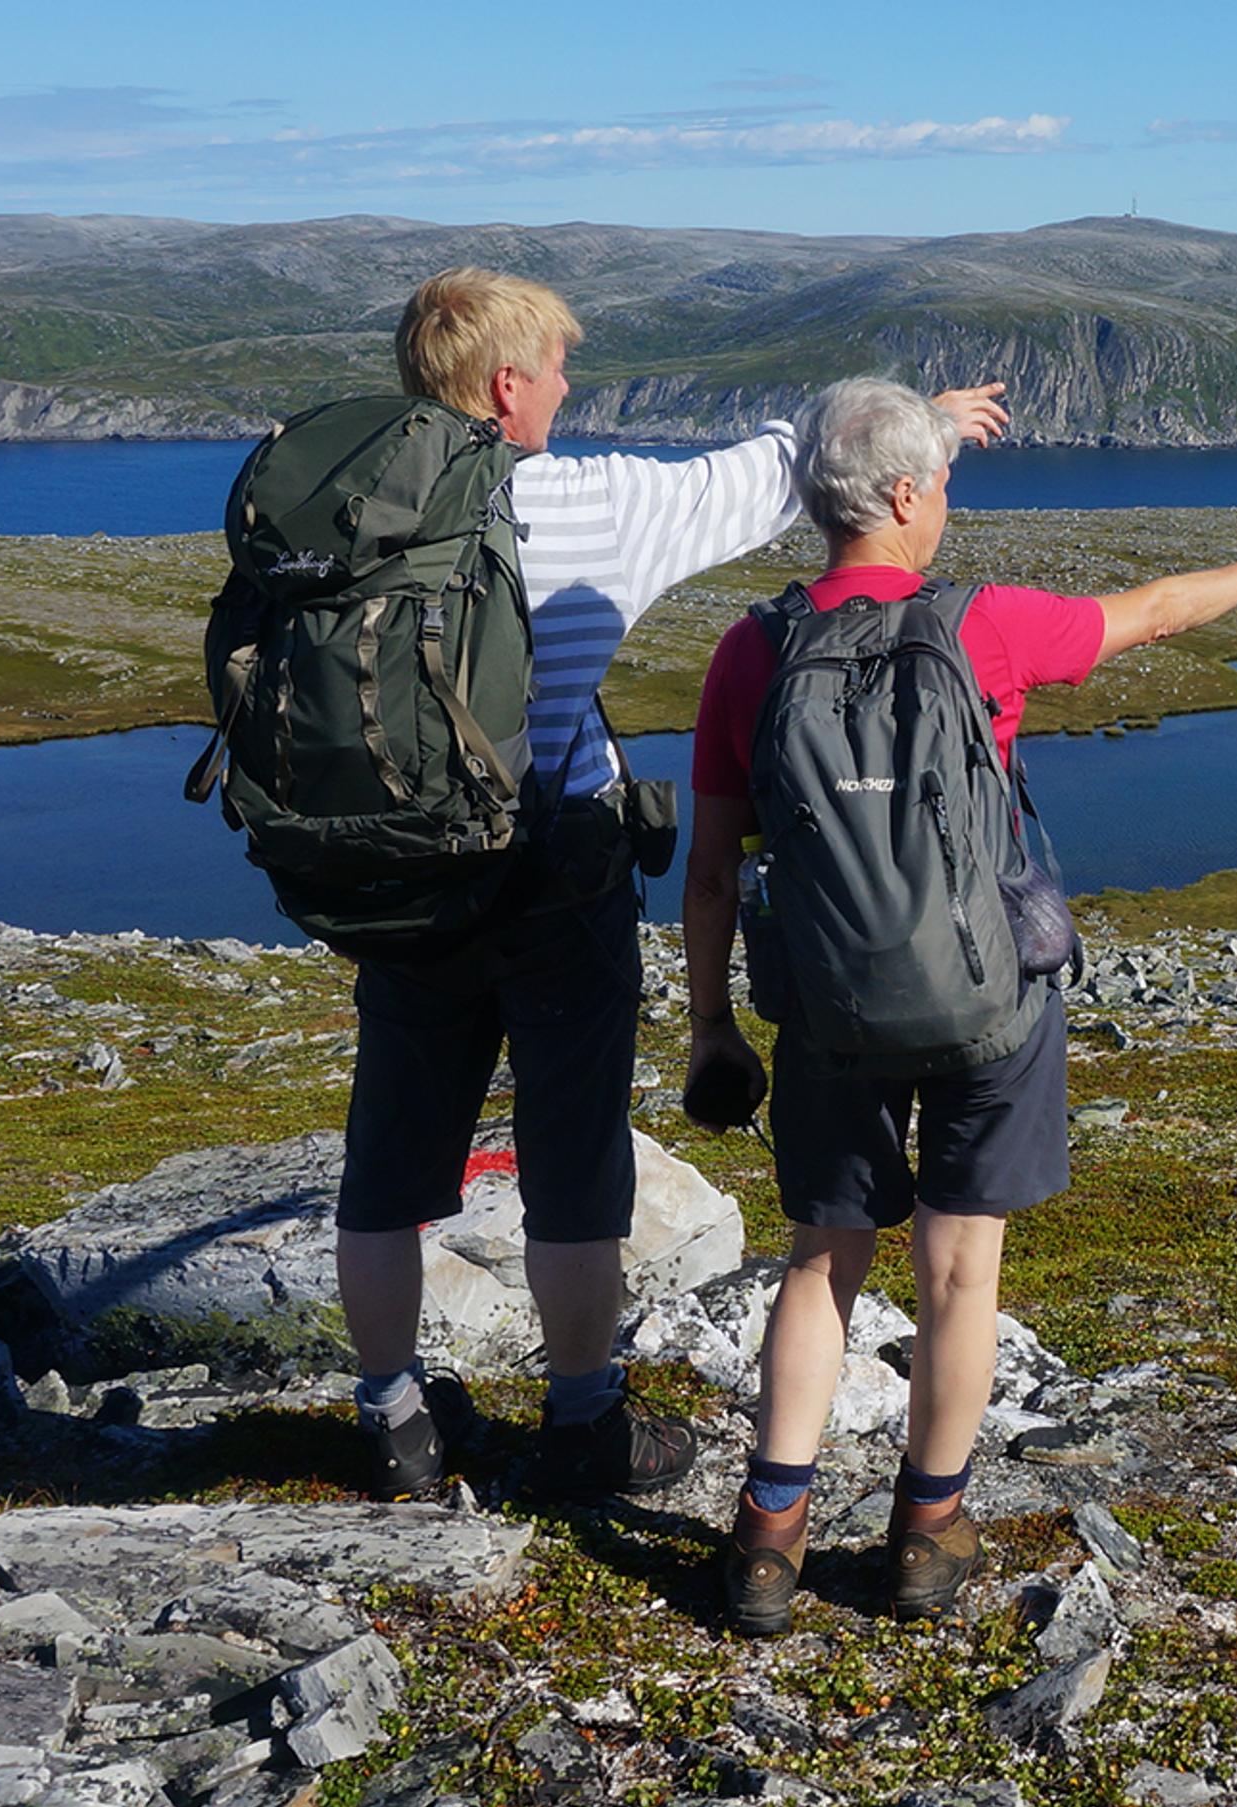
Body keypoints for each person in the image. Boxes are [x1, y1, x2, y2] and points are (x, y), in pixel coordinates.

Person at [679, 375, 1237, 1633]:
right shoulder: (984, 627)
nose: (946, 508)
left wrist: (715, 1026)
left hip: (825, 1011)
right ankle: (927, 1533)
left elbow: (713, 871)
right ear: (906, 495)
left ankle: (768, 1541)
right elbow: (1143, 615)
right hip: (988, 1005)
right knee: (960, 1266)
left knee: (823, 1261)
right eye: (938, 486)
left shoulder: (751, 651)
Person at [335, 270, 1010, 1502]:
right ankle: (584, 1421)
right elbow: (778, 466)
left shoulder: (342, 507)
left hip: (400, 870)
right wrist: (925, 422)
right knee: (574, 1152)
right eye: (556, 369)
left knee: (388, 1155)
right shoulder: (592, 505)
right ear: (506, 387)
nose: (567, 388)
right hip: (555, 864)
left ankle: (390, 1418)